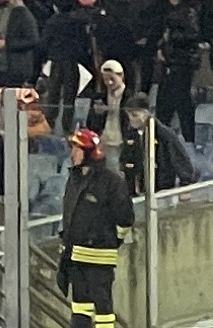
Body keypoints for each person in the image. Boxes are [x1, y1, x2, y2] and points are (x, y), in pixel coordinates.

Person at [62, 126, 132, 328]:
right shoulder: (74, 179)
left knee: (103, 308)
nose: (72, 154)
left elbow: (125, 218)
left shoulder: (111, 182)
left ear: (88, 152)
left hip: (100, 258)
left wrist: (112, 240)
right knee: (80, 308)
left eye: (76, 149)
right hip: (76, 257)